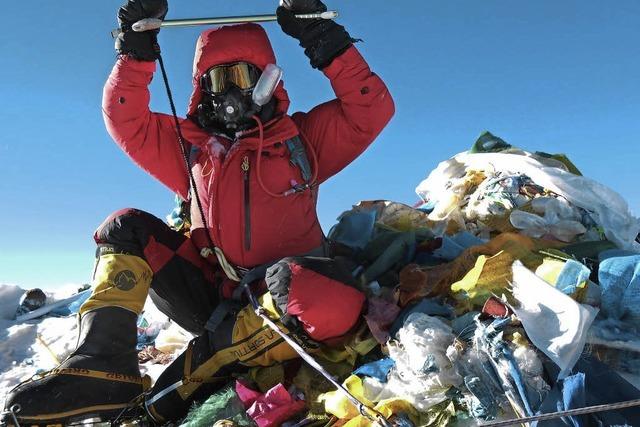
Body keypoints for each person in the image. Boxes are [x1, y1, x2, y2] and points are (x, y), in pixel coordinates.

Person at [4, 0, 394, 424]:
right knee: (125, 227)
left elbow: (370, 110)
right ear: (200, 88)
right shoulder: (190, 149)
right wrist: (135, 51)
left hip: (288, 300)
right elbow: (125, 117)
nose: (229, 91)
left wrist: (324, 41)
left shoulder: (302, 141)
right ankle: (102, 366)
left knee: (318, 295)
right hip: (213, 297)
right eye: (216, 79)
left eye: (242, 75)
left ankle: (177, 390)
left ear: (268, 79)